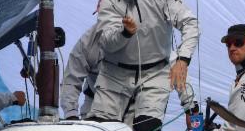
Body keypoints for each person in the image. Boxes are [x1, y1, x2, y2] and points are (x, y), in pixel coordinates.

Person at [88, 0, 200, 131]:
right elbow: (106, 42)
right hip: (114, 74)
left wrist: (183, 60)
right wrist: (125, 33)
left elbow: (191, 24)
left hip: (154, 74)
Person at [61, 24, 197, 122]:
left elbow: (176, 68)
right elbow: (72, 79)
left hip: (136, 111)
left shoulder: (145, 37)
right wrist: (70, 114)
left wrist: (192, 110)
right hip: (96, 108)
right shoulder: (88, 42)